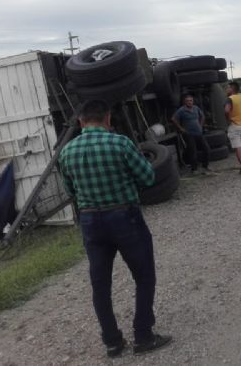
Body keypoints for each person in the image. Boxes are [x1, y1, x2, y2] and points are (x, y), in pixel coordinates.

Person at [59, 99, 171, 358]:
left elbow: (70, 190)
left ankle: (112, 342)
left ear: (81, 122)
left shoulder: (67, 151)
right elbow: (148, 177)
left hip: (90, 221)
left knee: (100, 284)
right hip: (124, 217)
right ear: (108, 118)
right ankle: (143, 336)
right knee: (143, 276)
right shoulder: (121, 143)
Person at [171, 94, 211, 174]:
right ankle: (194, 169)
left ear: (193, 101)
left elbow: (202, 116)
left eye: (191, 100)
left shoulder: (196, 108)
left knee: (206, 148)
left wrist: (201, 125)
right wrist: (181, 128)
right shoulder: (182, 110)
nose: (189, 102)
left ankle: (205, 166)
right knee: (193, 151)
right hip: (189, 134)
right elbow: (173, 119)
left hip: (199, 132)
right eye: (187, 101)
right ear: (184, 102)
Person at [225, 82, 241, 177]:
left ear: (232, 89)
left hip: (234, 126)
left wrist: (228, 119)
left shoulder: (230, 99)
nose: (226, 89)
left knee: (238, 148)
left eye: (228, 88)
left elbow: (227, 110)